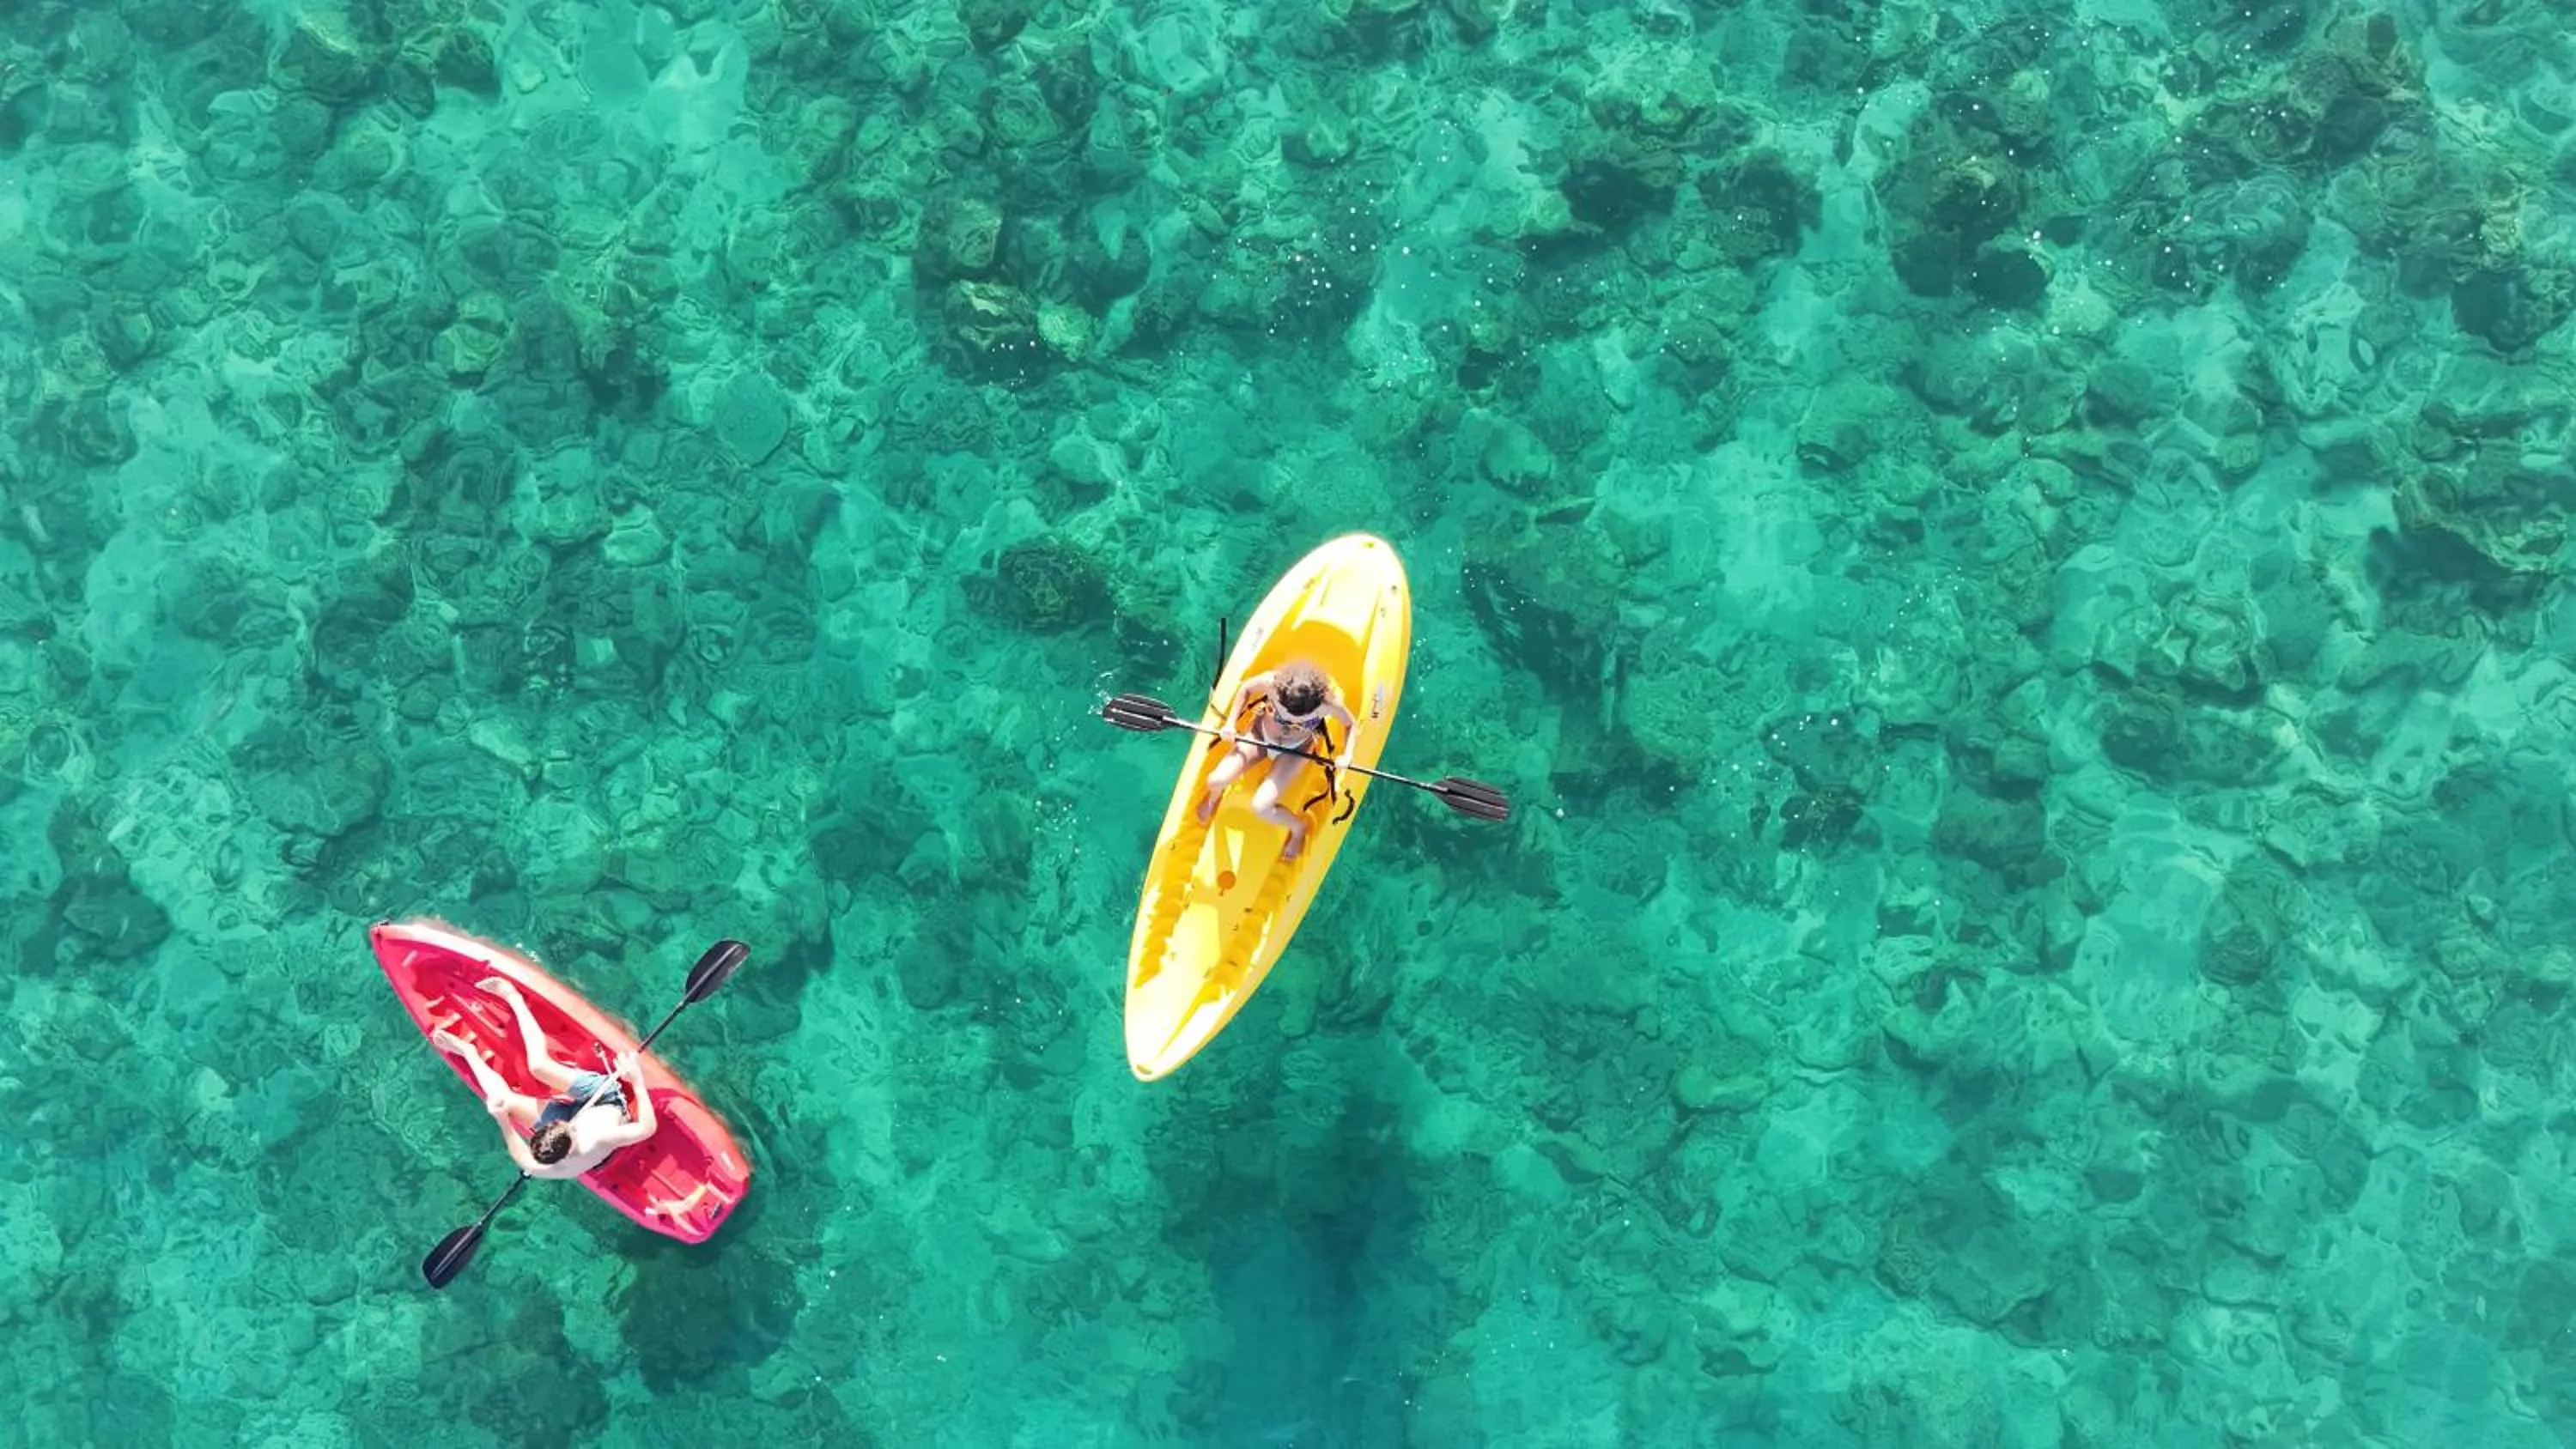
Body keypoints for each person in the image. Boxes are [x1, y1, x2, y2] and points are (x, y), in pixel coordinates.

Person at [433, 975, 658, 1179]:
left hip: (595, 1101)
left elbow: (520, 1155)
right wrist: (637, 1081)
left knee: (535, 1069)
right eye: (564, 1125)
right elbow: (647, 1128)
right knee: (524, 1084)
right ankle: (472, 1048)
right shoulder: (595, 1139)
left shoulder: (550, 1163)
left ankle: (508, 1003)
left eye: (558, 1124)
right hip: (607, 1101)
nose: (565, 1123)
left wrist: (501, 1118)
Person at [1194, 659, 1356, 861]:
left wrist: (1347, 755)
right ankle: (1214, 797)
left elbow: (1350, 724)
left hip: (1296, 750)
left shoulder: (1327, 702)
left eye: (1301, 718)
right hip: (1260, 736)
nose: (1291, 719)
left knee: (1261, 806)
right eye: (1286, 713)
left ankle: (1298, 828)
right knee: (1215, 780)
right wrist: (1230, 723)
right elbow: (1246, 688)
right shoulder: (1272, 682)